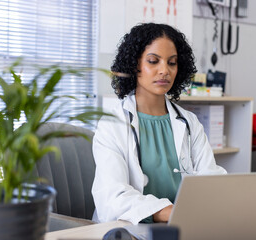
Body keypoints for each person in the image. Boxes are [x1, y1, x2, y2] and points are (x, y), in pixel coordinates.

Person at [92, 23, 226, 225]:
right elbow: (113, 197)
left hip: (185, 227)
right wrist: (172, 212)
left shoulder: (189, 123)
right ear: (134, 65)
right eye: (153, 61)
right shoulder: (112, 125)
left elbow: (210, 179)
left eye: (172, 63)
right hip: (131, 228)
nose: (164, 70)